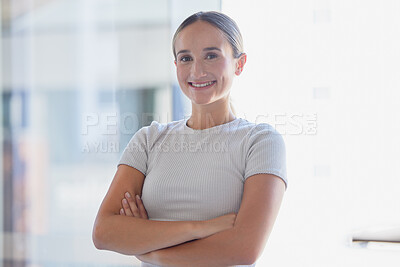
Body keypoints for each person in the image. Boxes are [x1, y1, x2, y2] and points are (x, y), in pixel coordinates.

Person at [92, 11, 287, 267]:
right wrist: (201, 228)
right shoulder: (149, 140)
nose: (197, 70)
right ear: (176, 66)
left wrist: (151, 248)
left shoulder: (260, 142)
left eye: (211, 55)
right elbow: (104, 232)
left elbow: (244, 248)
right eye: (186, 58)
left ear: (239, 64)